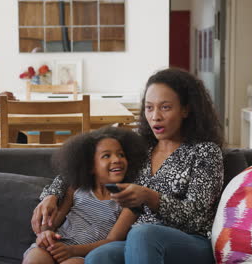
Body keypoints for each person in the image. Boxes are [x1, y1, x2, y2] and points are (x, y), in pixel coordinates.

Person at [32, 68, 224, 264]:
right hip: (135, 239)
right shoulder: (139, 147)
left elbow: (197, 217)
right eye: (149, 108)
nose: (155, 116)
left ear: (186, 109)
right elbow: (84, 159)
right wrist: (52, 195)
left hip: (189, 241)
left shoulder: (205, 152)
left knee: (143, 234)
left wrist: (151, 198)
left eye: (165, 107)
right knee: (100, 255)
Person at [23, 127, 147, 264]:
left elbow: (112, 241)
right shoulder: (76, 189)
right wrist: (45, 234)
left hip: (84, 255)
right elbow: (54, 222)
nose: (117, 159)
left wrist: (71, 251)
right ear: (90, 167)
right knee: (35, 259)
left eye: (121, 155)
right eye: (106, 156)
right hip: (56, 244)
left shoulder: (129, 200)